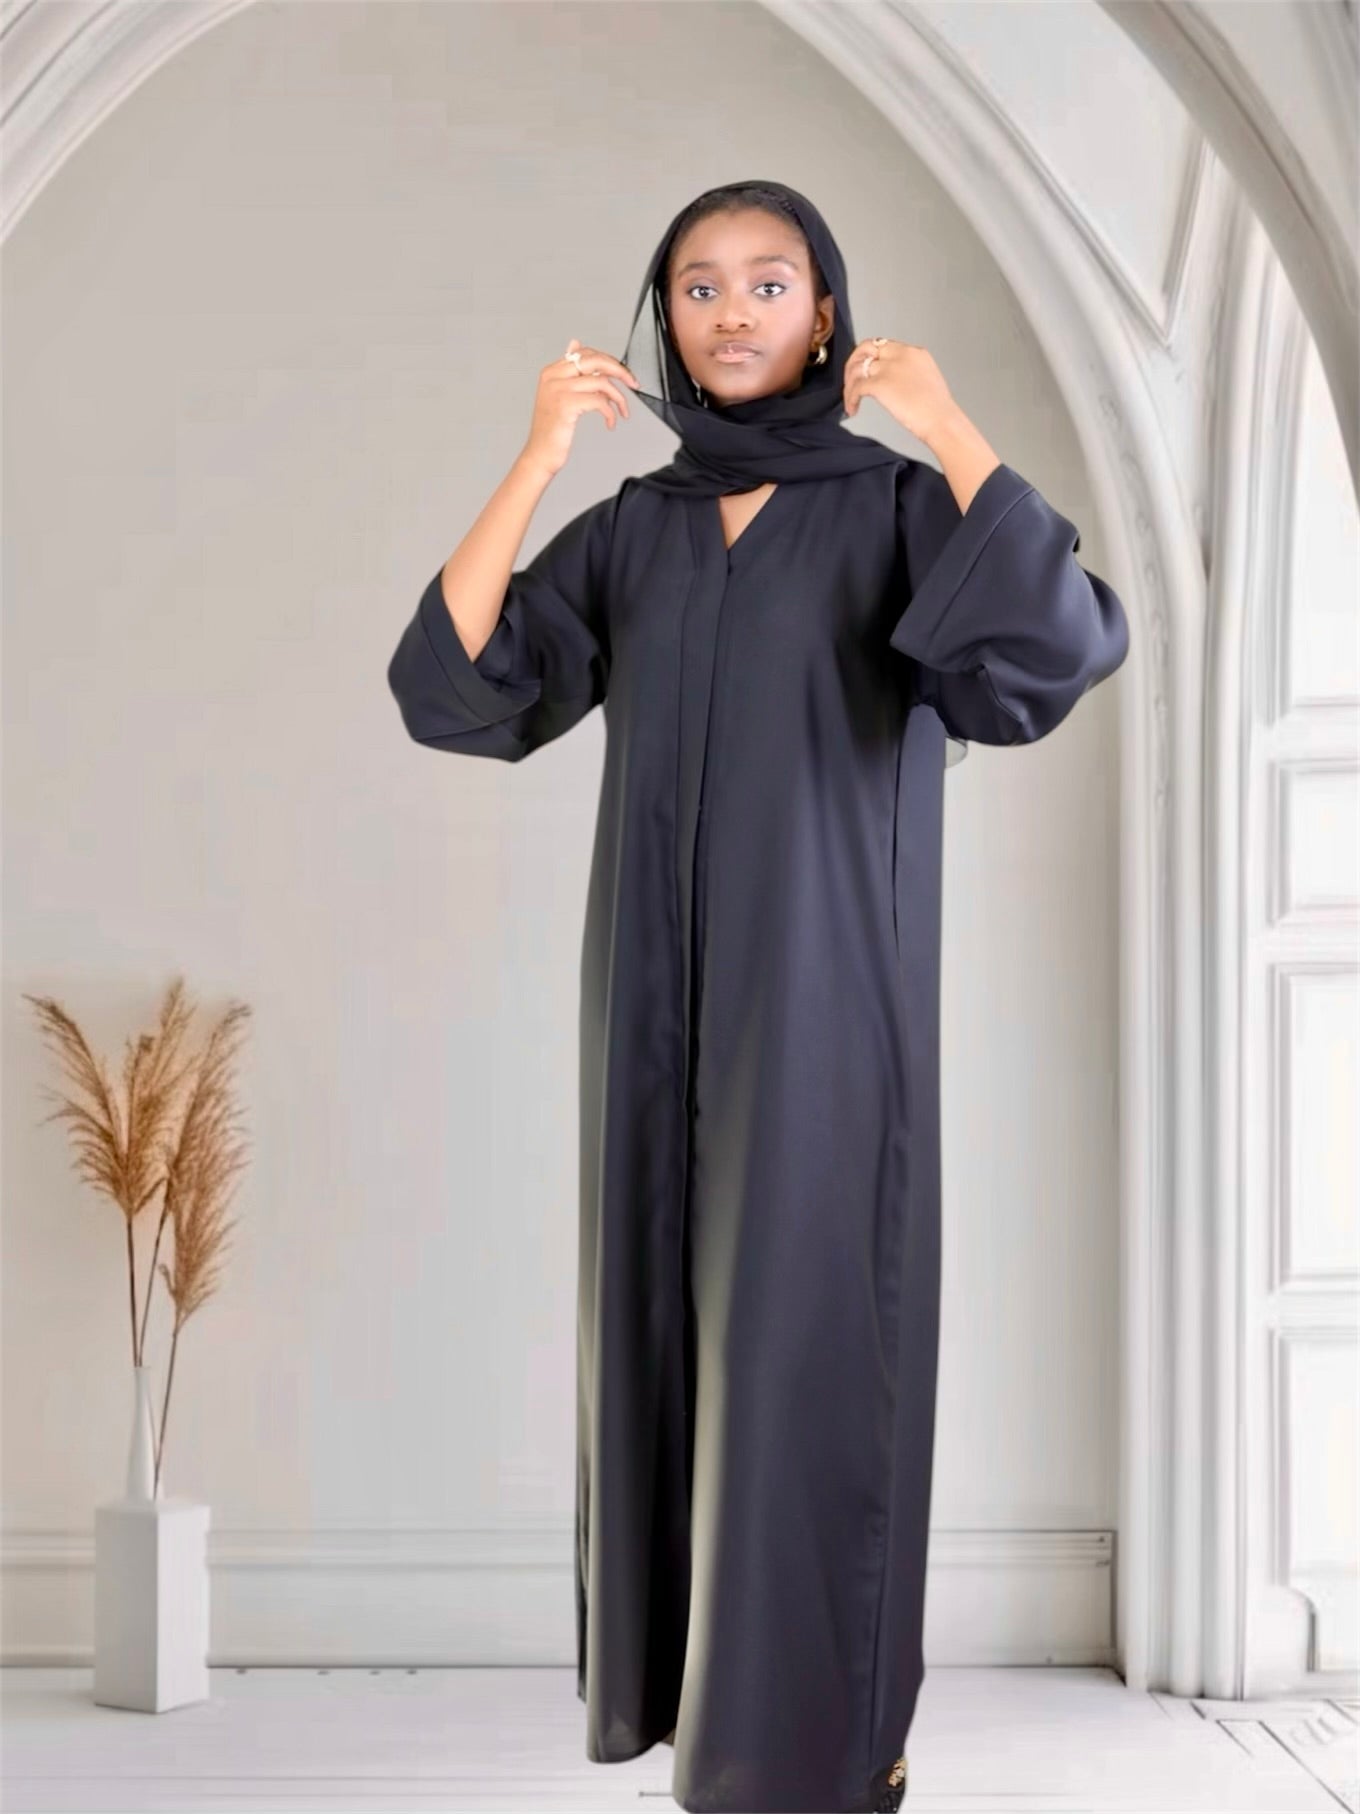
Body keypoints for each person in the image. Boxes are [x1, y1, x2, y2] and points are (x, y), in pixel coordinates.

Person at [387, 179, 1130, 1814]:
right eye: (700, 286)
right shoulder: (638, 529)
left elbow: (1059, 646)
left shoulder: (891, 509)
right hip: (650, 1016)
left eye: (768, 282)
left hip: (824, 1018)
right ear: (666, 315)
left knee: (808, 1360)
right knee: (664, 1345)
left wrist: (947, 426)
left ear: (826, 311)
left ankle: (826, 1752)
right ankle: (706, 1731)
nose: (732, 314)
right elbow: (452, 687)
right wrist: (536, 459)